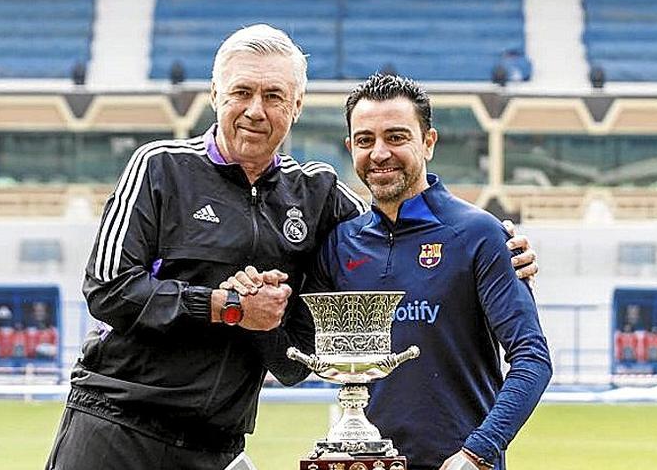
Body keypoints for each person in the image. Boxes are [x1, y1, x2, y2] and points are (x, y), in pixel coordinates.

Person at [46, 24, 538, 470]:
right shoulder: (160, 167)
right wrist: (226, 306)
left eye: (274, 96)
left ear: (296, 107)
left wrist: (501, 240)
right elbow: (107, 288)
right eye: (242, 91)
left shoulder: (318, 194)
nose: (255, 110)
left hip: (218, 444)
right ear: (215, 94)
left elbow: (395, 220)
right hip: (115, 423)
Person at [304, 75, 551, 470]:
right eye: (366, 140)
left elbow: (532, 358)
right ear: (351, 148)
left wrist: (479, 451)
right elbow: (297, 346)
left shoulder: (480, 234)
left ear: (428, 142)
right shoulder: (339, 243)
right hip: (367, 461)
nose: (380, 152)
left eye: (396, 137)